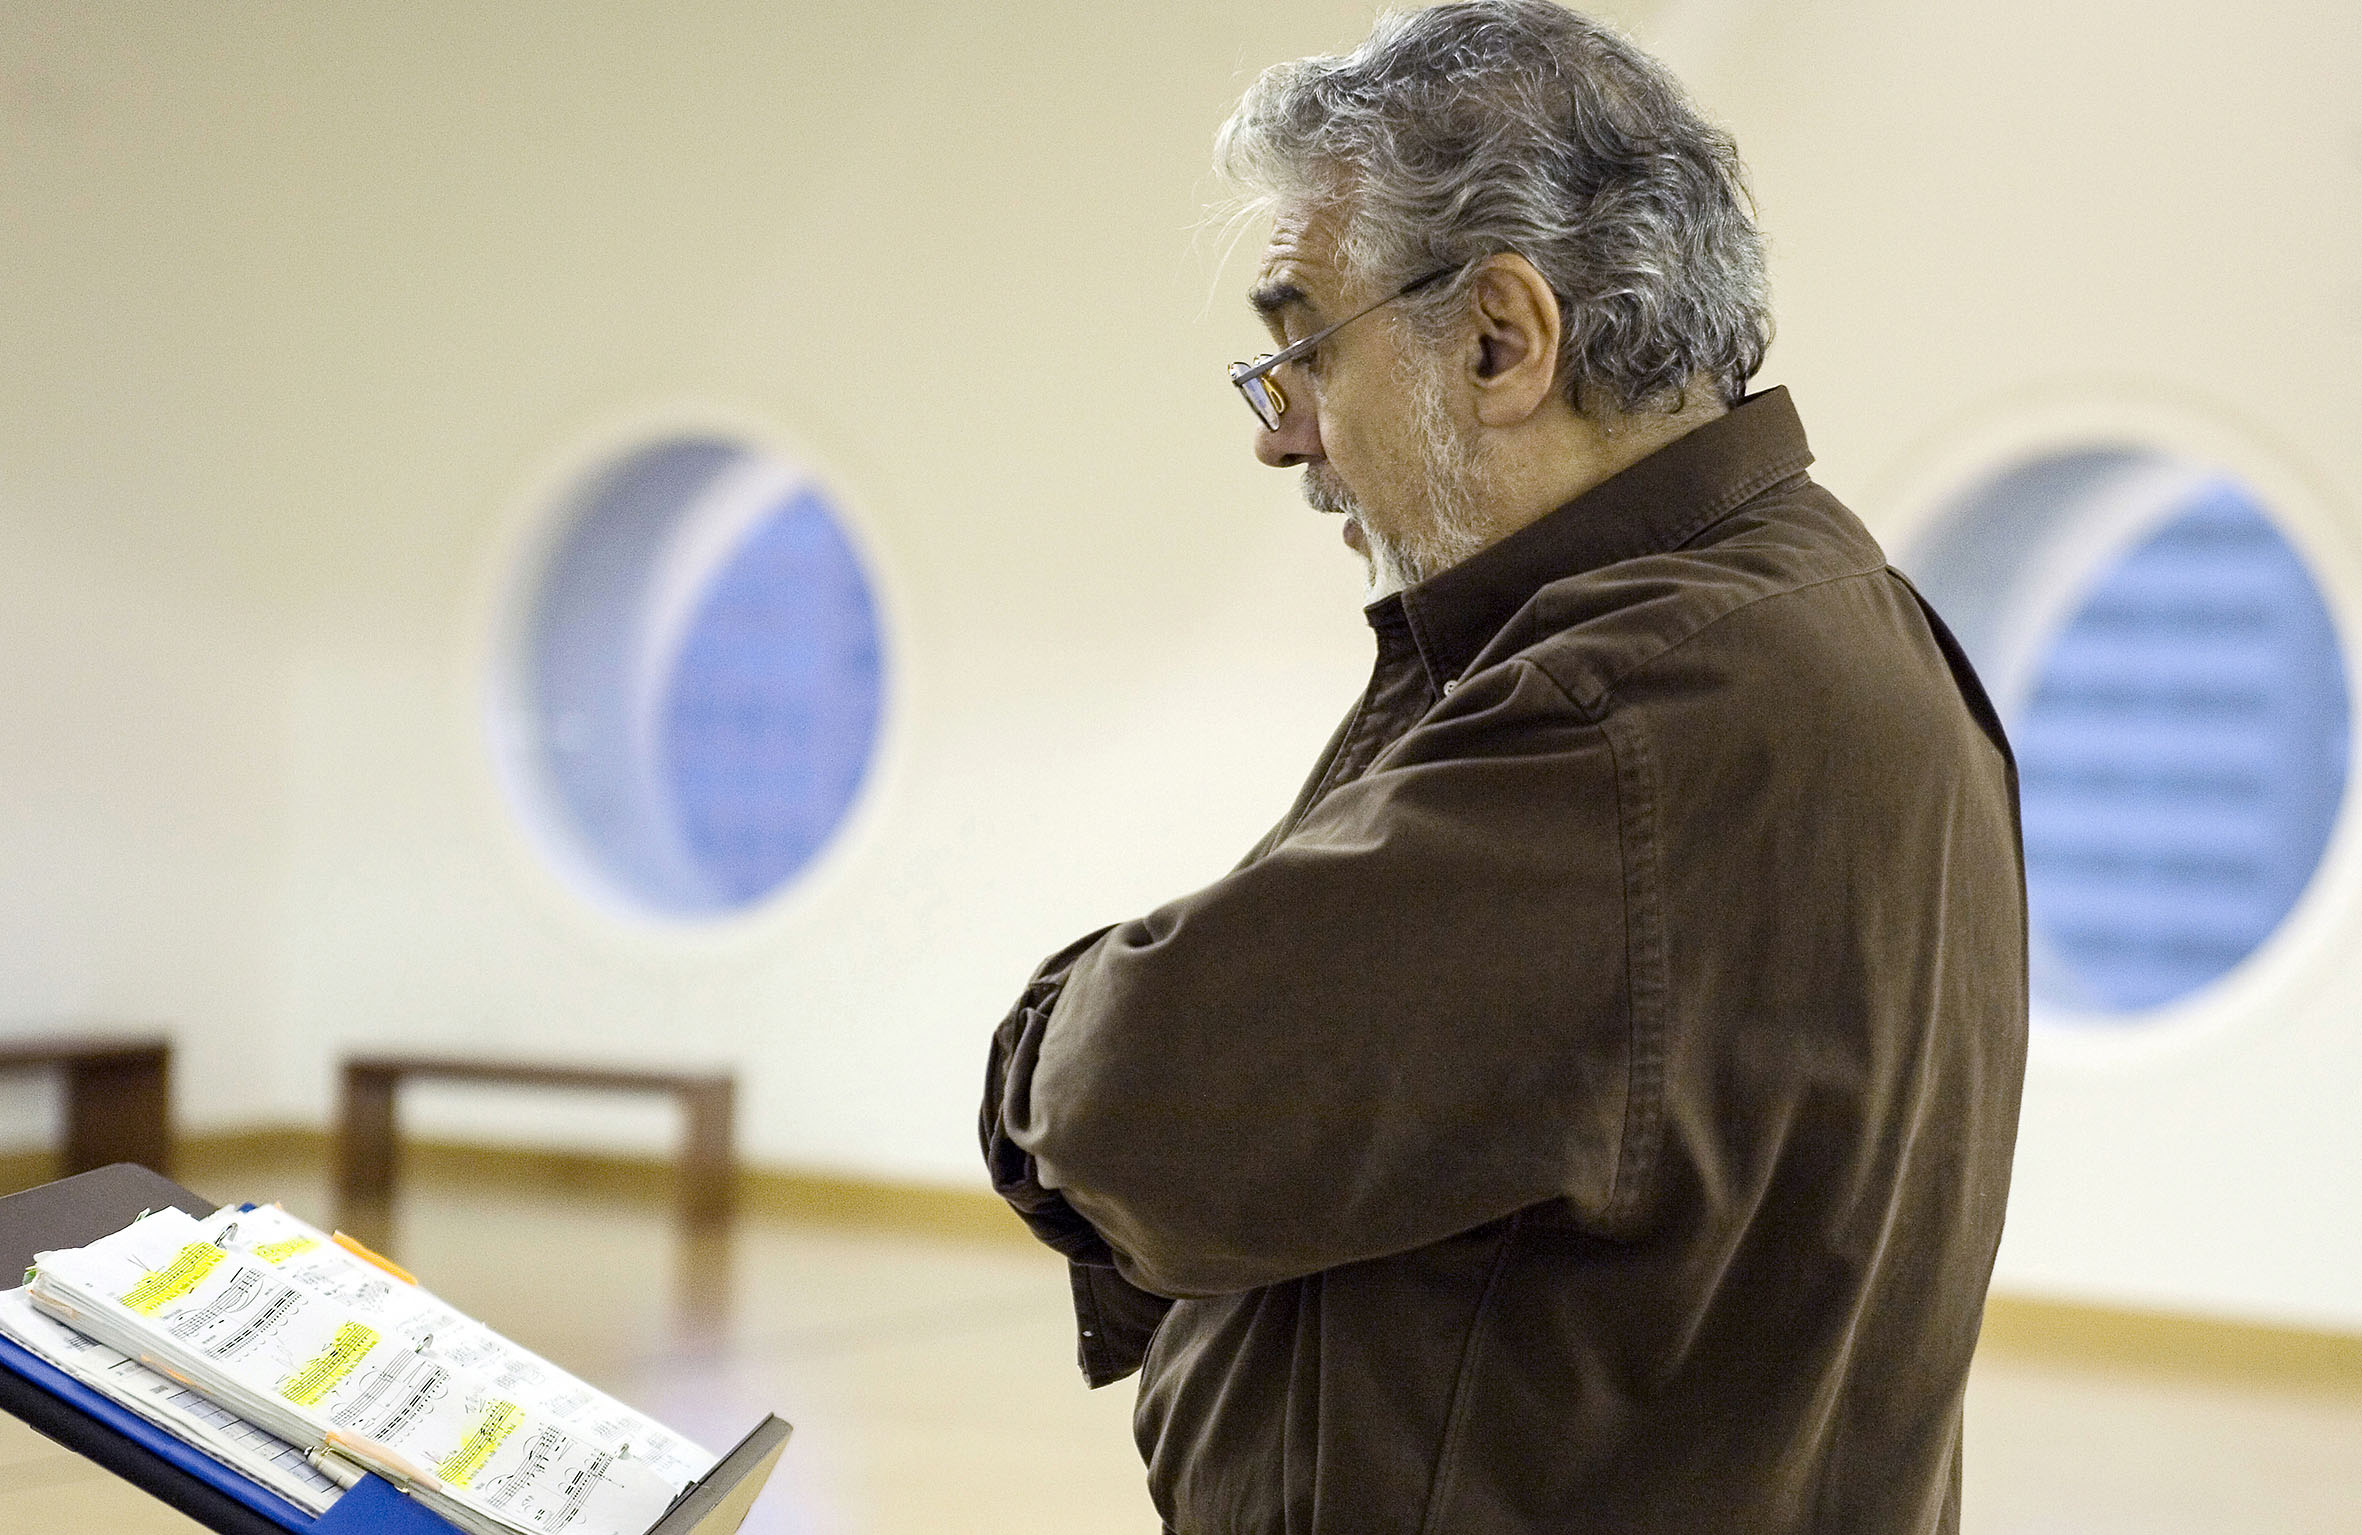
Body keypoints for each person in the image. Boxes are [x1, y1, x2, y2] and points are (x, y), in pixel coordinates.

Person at [980, 3, 2028, 1531]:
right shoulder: (1831, 611)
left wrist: (1046, 1033)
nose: (1284, 440)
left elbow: (1126, 1106)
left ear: (1498, 338)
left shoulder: (1631, 719)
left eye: (1301, 352)